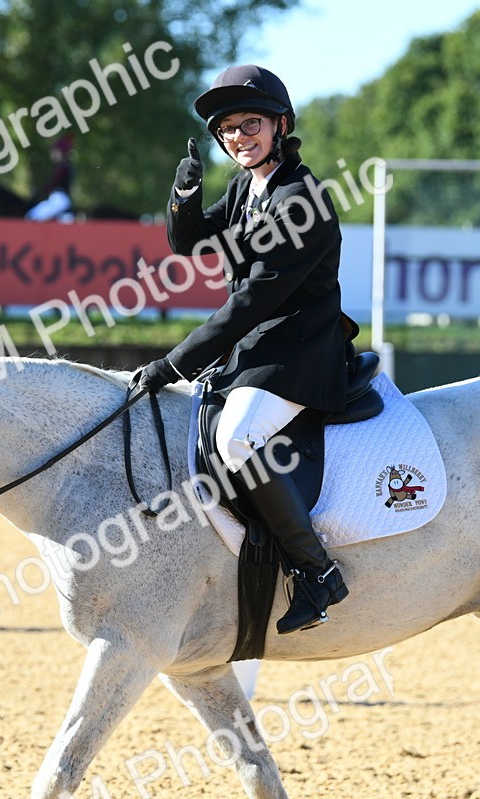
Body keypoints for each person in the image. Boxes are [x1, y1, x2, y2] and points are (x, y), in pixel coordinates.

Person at [134, 65, 355, 635]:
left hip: (300, 348)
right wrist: (185, 191)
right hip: (259, 346)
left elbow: (251, 301)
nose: (237, 137)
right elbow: (190, 242)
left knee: (237, 437)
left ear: (281, 125)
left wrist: (173, 362)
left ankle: (317, 571)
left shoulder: (299, 200)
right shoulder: (245, 187)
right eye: (227, 129)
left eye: (249, 124)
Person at [25, 134, 75, 222]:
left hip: (59, 200)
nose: (52, 154)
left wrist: (38, 194)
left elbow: (52, 184)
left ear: (60, 152)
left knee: (32, 216)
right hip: (60, 200)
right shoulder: (65, 166)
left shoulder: (63, 168)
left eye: (54, 151)